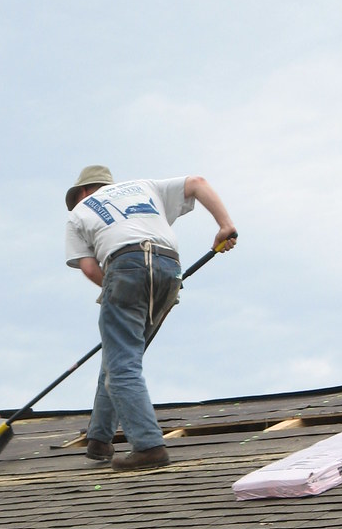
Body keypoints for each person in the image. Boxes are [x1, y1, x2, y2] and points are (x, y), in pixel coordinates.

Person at [65, 164, 236, 472]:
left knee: (122, 364)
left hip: (125, 265)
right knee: (121, 354)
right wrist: (224, 225)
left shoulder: (79, 212)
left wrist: (118, 292)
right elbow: (197, 182)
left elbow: (91, 269)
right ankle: (99, 439)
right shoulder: (143, 187)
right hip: (169, 269)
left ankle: (148, 446)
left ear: (83, 192)